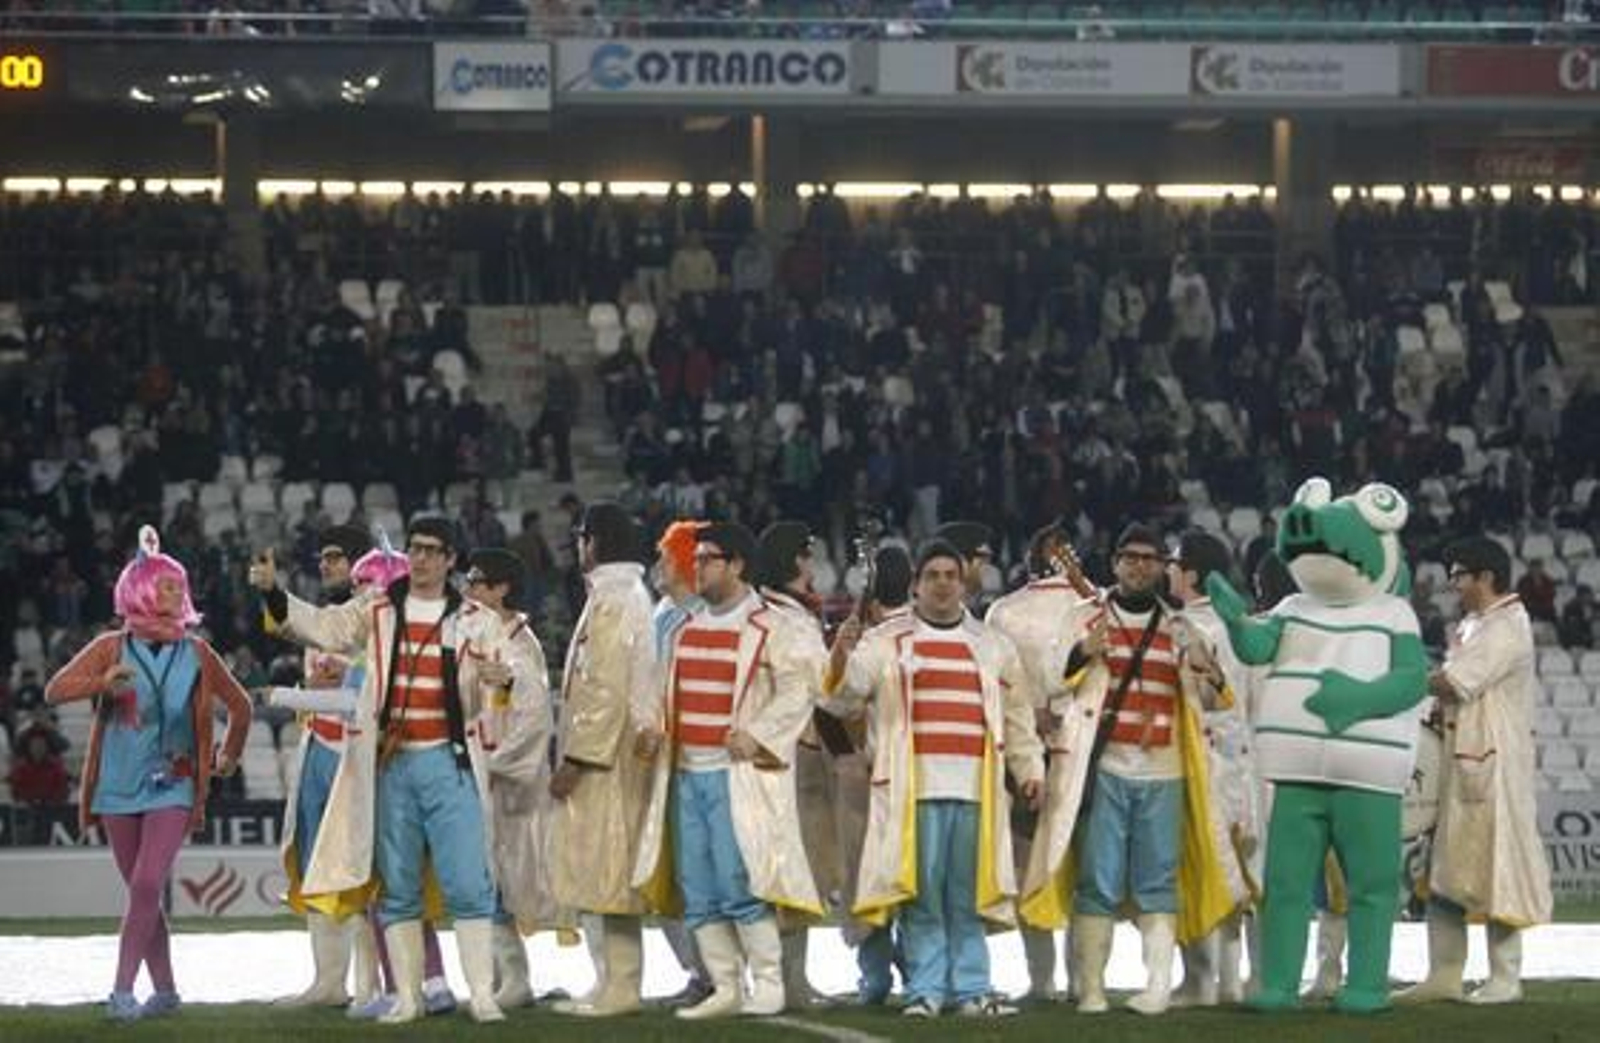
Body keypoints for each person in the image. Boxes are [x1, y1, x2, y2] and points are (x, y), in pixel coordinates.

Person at [248, 517, 507, 1024]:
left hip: (450, 762)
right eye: (416, 548)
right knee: (397, 884)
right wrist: (274, 593)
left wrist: (500, 686)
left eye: (434, 550)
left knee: (468, 881)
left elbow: (491, 702)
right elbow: (323, 627)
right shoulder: (377, 607)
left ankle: (482, 994)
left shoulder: (477, 619)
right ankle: (407, 997)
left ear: (452, 559)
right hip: (392, 764)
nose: (423, 558)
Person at [1020, 523, 1238, 1017]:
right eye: (1130, 557)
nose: (1140, 566)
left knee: (1157, 880)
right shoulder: (1083, 617)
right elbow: (1053, 681)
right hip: (1105, 769)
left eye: (1150, 558)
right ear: (1115, 563)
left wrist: (1209, 667)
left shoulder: (1184, 628)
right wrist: (1083, 653)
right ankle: (1092, 988)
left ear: (1163, 566)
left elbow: (1215, 702)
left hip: (1165, 771)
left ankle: (1157, 987)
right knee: (1096, 879)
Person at [826, 538, 1045, 1019]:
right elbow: (842, 701)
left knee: (966, 895)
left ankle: (971, 990)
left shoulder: (992, 645)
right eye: (933, 576)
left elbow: (1018, 716)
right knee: (922, 895)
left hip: (976, 790)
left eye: (950, 575)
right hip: (912, 791)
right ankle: (925, 990)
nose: (943, 584)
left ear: (963, 582)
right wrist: (842, 655)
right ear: (916, 585)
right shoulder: (884, 641)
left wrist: (1030, 770)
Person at [46, 525, 253, 1021]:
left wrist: (228, 754)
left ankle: (121, 992)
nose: (177, 594)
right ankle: (166, 991)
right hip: (117, 784)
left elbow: (240, 707)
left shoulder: (198, 651)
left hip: (176, 783)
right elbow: (55, 690)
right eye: (167, 585)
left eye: (179, 587)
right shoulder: (111, 646)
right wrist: (102, 682)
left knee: (144, 885)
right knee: (143, 891)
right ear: (140, 589)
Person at [632, 522, 822, 1020]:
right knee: (698, 886)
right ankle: (725, 985)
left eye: (708, 559)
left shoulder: (772, 624)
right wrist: (651, 727)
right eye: (695, 559)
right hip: (686, 774)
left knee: (742, 882)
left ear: (737, 564)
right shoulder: (683, 626)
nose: (697, 567)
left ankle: (769, 982)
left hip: (738, 775)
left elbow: (800, 689)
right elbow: (656, 692)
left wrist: (758, 734)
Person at [1400, 537, 1552, 1005]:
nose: (1453, 584)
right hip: (1462, 758)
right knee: (1444, 867)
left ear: (1486, 577)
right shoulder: (1476, 624)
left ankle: (1506, 977)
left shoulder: (1507, 625)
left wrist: (1403, 678)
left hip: (1495, 765)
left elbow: (1455, 683)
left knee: (1498, 863)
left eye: (1459, 575)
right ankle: (1444, 974)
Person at [547, 503, 657, 1017]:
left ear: (595, 542)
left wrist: (577, 757)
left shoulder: (615, 600)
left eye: (581, 537)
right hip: (612, 754)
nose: (577, 546)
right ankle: (610, 980)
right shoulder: (616, 596)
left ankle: (622, 987)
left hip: (607, 760)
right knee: (602, 874)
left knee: (610, 873)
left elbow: (606, 688)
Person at [273, 524, 378, 1011]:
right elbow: (291, 626)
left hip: (355, 753)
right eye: (324, 557)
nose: (326, 565)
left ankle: (370, 983)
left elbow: (378, 673)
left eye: (336, 557)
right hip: (319, 743)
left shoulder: (380, 609)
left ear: (361, 563)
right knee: (316, 862)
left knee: (356, 866)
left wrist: (350, 673)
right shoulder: (332, 616)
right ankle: (328, 981)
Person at [984, 522, 1088, 1003]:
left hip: (1025, 750)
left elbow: (995, 688)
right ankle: (1084, 979)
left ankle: (1041, 981)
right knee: (1085, 864)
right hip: (1088, 749)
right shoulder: (1097, 606)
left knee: (1032, 864)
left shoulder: (1004, 612)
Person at [1165, 530, 1259, 1007]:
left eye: (1174, 563)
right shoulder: (1238, 623)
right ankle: (1231, 980)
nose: (1167, 570)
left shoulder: (1191, 627)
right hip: (1238, 758)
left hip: (1207, 757)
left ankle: (1203, 979)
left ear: (1193, 574)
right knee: (1233, 870)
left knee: (1206, 867)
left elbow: (1205, 697)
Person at [462, 548, 556, 1011]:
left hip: (502, 780)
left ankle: (515, 978)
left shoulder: (521, 642)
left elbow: (535, 713)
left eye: (479, 581)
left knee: (501, 878)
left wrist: (496, 766)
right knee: (483, 877)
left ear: (501, 589)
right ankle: (502, 975)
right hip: (478, 771)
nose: (469, 587)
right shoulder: (474, 633)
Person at [754, 521, 832, 1008]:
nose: (812, 567)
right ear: (794, 561)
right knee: (790, 871)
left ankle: (773, 979)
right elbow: (825, 690)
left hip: (761, 754)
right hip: (790, 757)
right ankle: (789, 981)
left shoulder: (760, 612)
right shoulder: (791, 620)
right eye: (806, 556)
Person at [648, 519, 714, 1007]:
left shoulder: (707, 619)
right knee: (670, 873)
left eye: (669, 557)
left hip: (700, 760)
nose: (660, 566)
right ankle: (699, 968)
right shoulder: (661, 615)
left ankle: (718, 970)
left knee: (708, 871)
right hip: (662, 761)